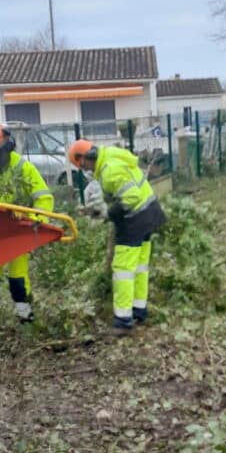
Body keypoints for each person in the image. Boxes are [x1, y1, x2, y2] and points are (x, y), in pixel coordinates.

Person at [68, 139, 166, 331]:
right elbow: (123, 192)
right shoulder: (111, 156)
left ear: (85, 158)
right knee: (140, 267)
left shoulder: (109, 170)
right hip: (150, 213)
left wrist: (108, 213)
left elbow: (131, 198)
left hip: (135, 219)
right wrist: (96, 209)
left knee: (123, 270)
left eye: (82, 166)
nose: (84, 170)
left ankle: (123, 320)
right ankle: (139, 310)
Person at [0, 122, 54, 326]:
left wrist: (37, 220)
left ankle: (26, 317)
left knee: (17, 279)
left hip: (17, 231)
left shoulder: (23, 168)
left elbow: (43, 197)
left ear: (7, 147)